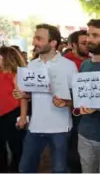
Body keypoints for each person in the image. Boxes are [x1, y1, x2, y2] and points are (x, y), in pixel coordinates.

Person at [13, 24, 78, 173]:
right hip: (35, 126)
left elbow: (78, 98)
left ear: (53, 43)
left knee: (59, 169)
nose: (34, 42)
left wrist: (66, 102)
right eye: (34, 38)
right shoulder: (31, 65)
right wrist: (25, 95)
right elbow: (30, 93)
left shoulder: (69, 66)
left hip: (60, 128)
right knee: (25, 168)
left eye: (39, 39)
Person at [77, 19, 100, 173]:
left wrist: (98, 107)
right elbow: (79, 98)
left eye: (95, 35)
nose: (89, 39)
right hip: (85, 133)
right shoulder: (84, 65)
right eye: (88, 34)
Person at [0, 46, 27, 172]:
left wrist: (22, 117)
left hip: (13, 114)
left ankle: (16, 170)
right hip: (1, 115)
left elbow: (22, 98)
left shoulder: (16, 75)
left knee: (17, 147)